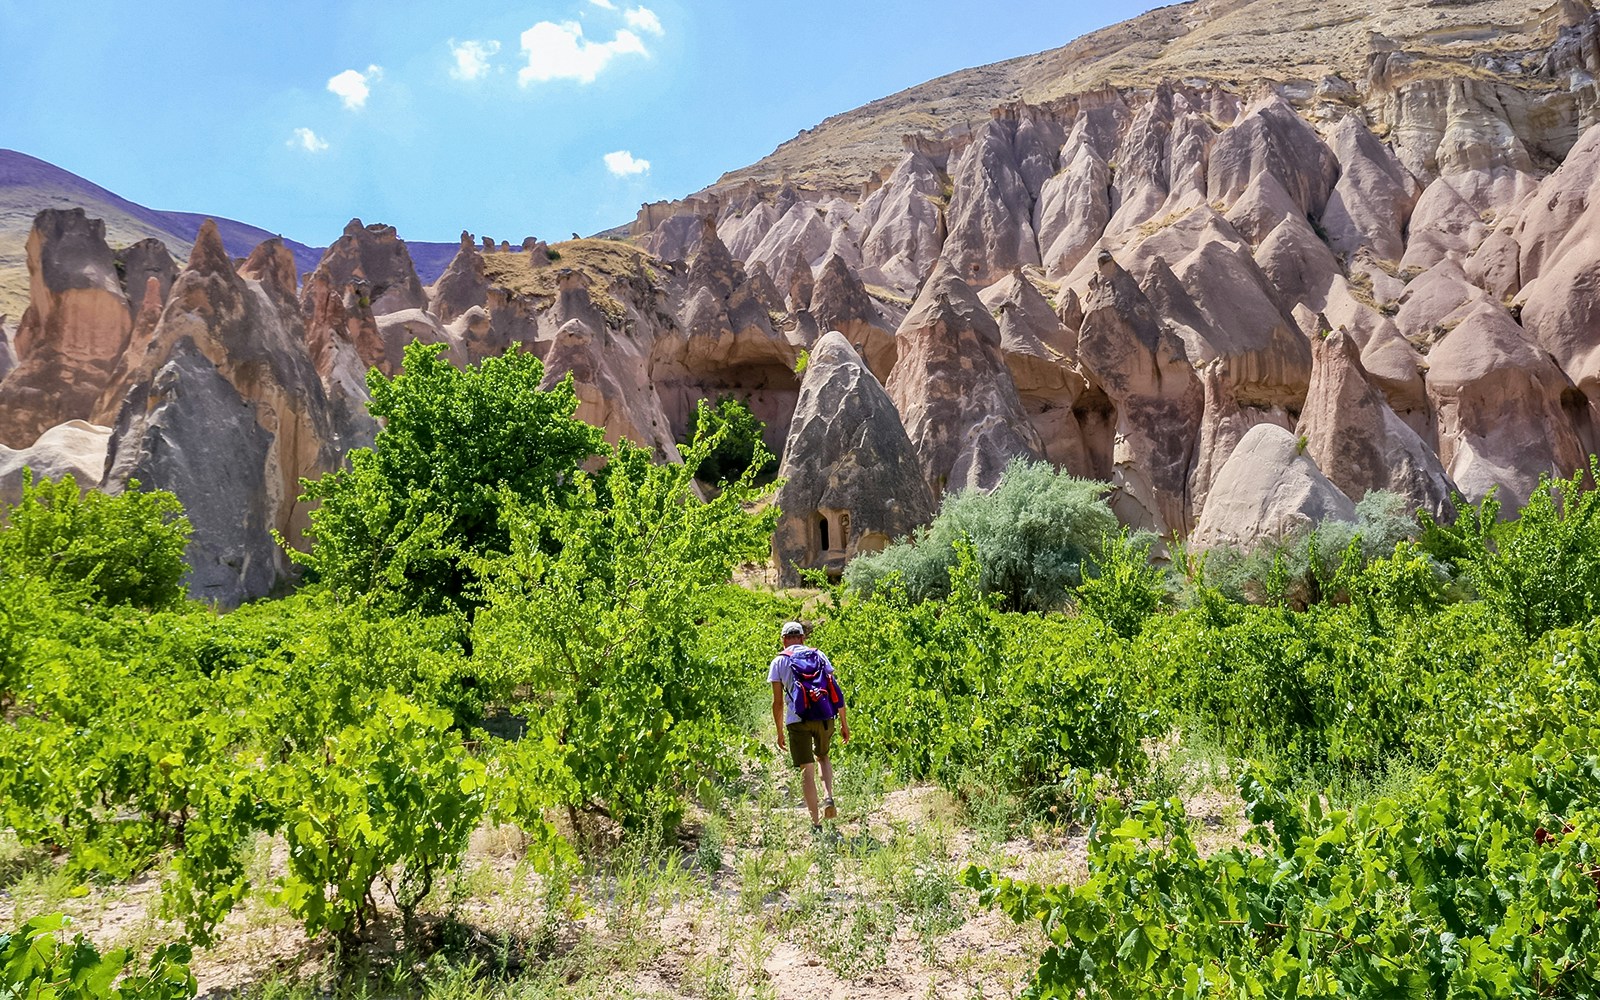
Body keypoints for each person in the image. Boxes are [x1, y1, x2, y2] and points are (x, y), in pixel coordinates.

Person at [769, 620, 849, 831]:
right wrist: (843, 723)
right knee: (823, 756)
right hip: (824, 716)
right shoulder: (818, 655)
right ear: (803, 638)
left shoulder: (778, 661)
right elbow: (834, 689)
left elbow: (777, 703)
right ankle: (828, 796)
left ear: (783, 640)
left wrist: (779, 731)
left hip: (797, 720)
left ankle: (815, 823)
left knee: (807, 769)